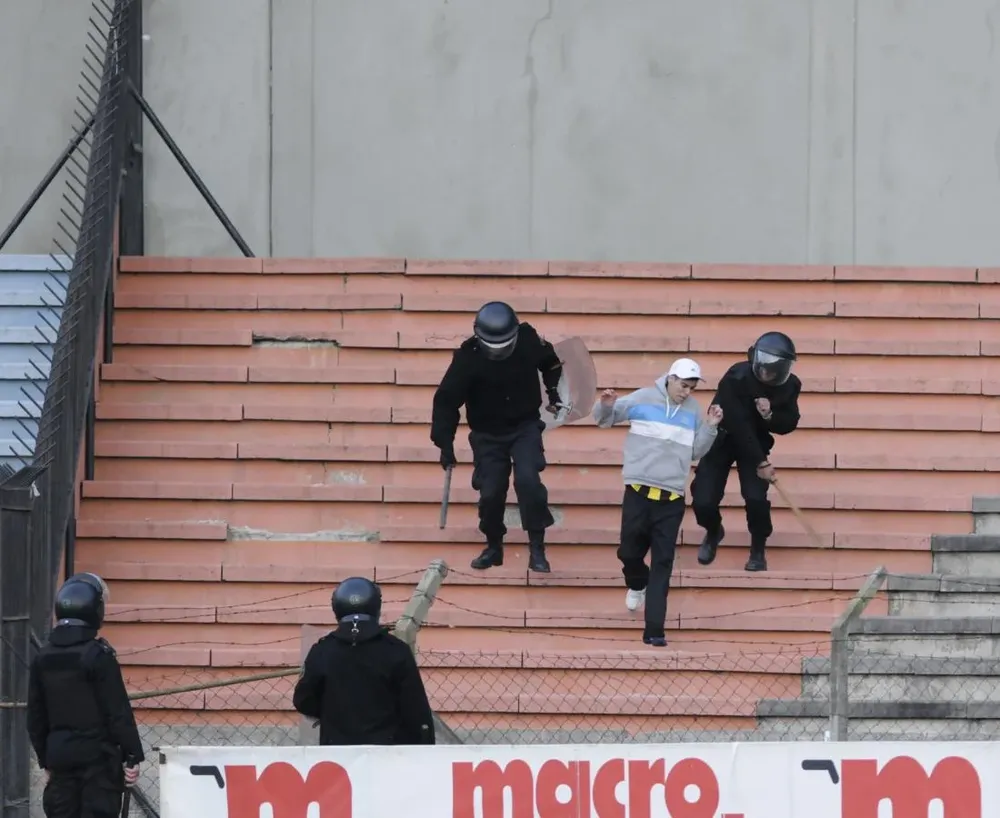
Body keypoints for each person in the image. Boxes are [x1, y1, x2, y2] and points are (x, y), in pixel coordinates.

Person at [593, 358, 723, 647]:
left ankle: (654, 630)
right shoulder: (643, 397)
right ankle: (636, 582)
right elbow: (604, 420)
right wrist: (606, 403)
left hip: (671, 499)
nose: (687, 392)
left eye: (691, 388)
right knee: (628, 552)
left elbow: (695, 452)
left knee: (663, 563)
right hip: (638, 493)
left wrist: (711, 427)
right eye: (684, 385)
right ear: (671, 378)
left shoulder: (692, 410)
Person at [430, 301, 563, 573]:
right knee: (490, 493)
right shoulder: (467, 357)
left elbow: (551, 364)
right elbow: (446, 401)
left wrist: (554, 393)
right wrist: (445, 442)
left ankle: (537, 547)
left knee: (528, 481)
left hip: (524, 426)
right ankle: (494, 546)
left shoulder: (528, 339)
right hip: (487, 434)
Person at [27, 572, 144, 818]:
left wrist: (45, 759)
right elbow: (117, 712)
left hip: (60, 759)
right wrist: (132, 755)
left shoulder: (43, 658)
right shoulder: (98, 656)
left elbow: (35, 717)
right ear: (95, 610)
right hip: (98, 762)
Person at [691, 331, 801, 572]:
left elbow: (790, 422)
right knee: (703, 499)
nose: (767, 374)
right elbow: (739, 424)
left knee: (755, 498)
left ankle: (758, 547)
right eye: (765, 368)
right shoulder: (735, 377)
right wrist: (762, 462)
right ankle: (713, 530)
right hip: (724, 438)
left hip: (756, 443)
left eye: (775, 370)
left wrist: (770, 415)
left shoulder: (790, 386)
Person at [293, 576, 436, 745]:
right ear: (376, 606)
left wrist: (332, 714)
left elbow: (303, 700)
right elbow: (415, 710)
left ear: (336, 607)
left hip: (337, 754)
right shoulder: (395, 650)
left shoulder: (322, 651)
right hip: (387, 753)